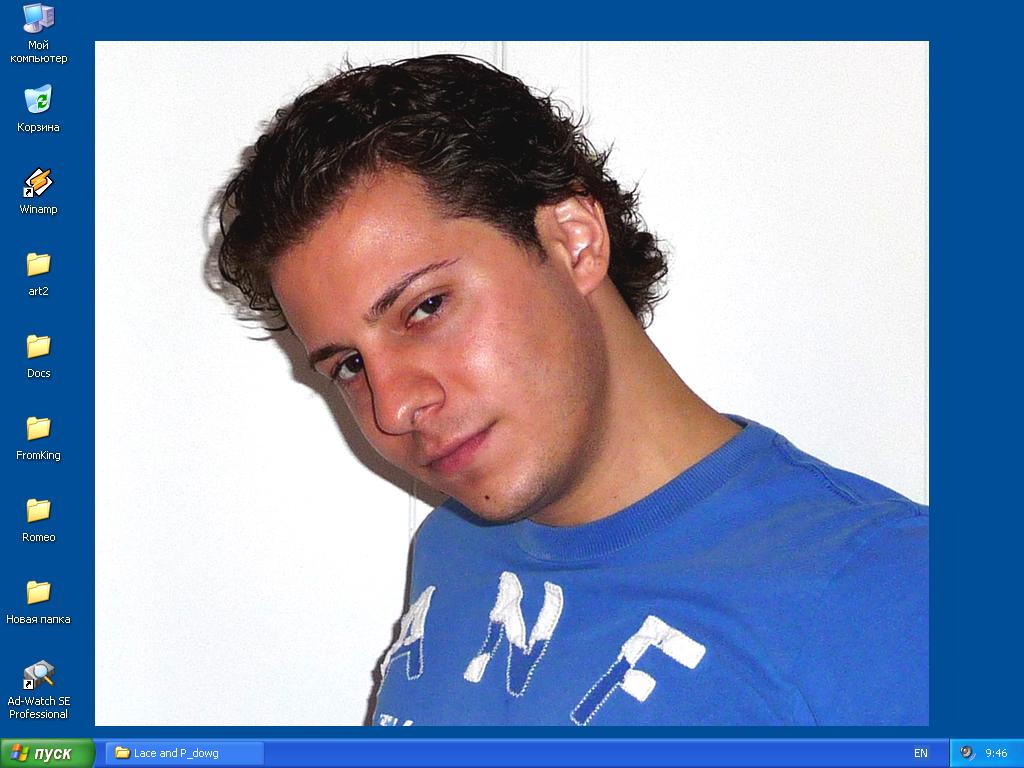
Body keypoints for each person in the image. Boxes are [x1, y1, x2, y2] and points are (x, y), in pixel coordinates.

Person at [216, 54, 927, 726]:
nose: (394, 407)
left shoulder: (890, 588)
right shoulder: (453, 550)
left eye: (426, 307)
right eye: (348, 365)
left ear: (575, 241)